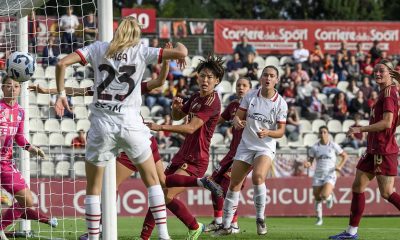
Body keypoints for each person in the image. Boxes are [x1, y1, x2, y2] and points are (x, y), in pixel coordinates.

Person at [54, 16, 187, 240]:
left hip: (101, 125)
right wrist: (173, 49)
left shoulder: (98, 48)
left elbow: (61, 63)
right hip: (130, 125)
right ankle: (164, 236)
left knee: (94, 188)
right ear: (136, 35)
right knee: (153, 181)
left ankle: (94, 237)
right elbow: (182, 53)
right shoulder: (141, 51)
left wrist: (60, 94)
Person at [31, 54, 172, 240]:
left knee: (112, 187)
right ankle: (151, 233)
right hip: (139, 139)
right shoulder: (107, 87)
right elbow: (78, 90)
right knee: (152, 184)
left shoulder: (127, 85)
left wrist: (167, 61)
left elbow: (159, 82)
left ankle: (99, 231)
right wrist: (48, 90)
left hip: (130, 140)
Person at [142, 55, 224, 240]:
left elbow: (190, 127)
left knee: (164, 195)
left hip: (196, 158)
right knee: (159, 193)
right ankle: (193, 226)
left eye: (210, 77)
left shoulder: (212, 102)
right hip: (183, 154)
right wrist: (176, 108)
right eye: (203, 75)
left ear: (217, 81)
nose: (205, 80)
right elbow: (179, 117)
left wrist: (160, 127)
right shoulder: (195, 96)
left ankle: (148, 236)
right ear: (197, 77)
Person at [213, 65, 288, 236]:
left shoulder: (281, 103)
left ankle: (260, 219)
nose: (268, 78)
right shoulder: (250, 96)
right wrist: (237, 122)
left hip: (266, 146)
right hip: (246, 145)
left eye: (272, 76)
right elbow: (238, 116)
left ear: (276, 80)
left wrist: (268, 132)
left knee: (258, 176)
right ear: (261, 78)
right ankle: (226, 226)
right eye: (265, 75)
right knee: (234, 183)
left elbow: (281, 131)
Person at [329, 60, 400, 239]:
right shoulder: (388, 91)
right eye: (375, 71)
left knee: (387, 192)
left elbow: (386, 123)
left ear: (390, 72)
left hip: (382, 150)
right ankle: (351, 232)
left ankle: (351, 232)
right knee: (358, 186)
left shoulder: (389, 94)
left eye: (381, 71)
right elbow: (393, 122)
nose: (376, 74)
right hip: (374, 148)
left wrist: (359, 129)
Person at [0, 76, 57, 240]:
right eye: (8, 85)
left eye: (16, 86)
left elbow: (19, 138)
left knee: (27, 200)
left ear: (20, 89)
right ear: (3, 88)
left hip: (5, 163)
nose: (12, 88)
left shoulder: (20, 112)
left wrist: (32, 148)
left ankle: (1, 227)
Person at [304, 126, 348, 226]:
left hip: (330, 174)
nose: (323, 134)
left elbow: (345, 155)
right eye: (321, 132)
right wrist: (308, 164)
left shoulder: (333, 145)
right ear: (319, 134)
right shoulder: (315, 147)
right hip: (318, 174)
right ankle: (319, 219)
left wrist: (340, 166)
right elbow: (310, 161)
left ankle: (329, 197)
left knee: (323, 195)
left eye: (325, 132)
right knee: (317, 197)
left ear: (328, 134)